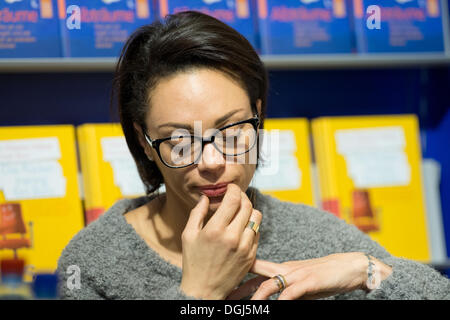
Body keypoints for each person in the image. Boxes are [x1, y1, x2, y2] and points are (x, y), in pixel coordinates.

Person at [56, 11, 450, 300]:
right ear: (145, 143)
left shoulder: (312, 236)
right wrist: (199, 294)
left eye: (231, 131)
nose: (211, 162)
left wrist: (367, 270)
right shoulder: (93, 263)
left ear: (258, 118)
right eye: (179, 140)